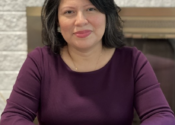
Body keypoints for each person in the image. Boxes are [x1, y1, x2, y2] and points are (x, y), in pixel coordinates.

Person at [0, 0, 175, 124]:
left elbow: (161, 115)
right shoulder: (39, 61)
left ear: (107, 16)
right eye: (69, 12)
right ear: (57, 22)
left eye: (91, 9)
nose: (81, 21)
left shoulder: (133, 60)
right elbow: (13, 117)